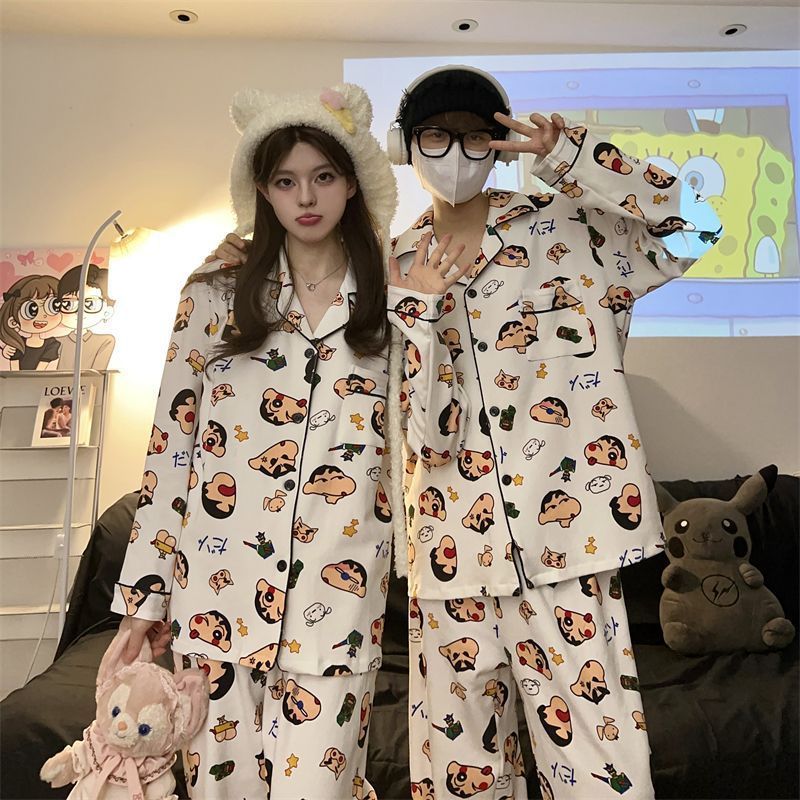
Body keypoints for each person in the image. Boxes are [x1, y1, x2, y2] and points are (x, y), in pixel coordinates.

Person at [216, 66, 723, 799]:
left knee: (603, 776)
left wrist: (573, 158)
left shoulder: (572, 230)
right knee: (463, 783)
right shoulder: (386, 271)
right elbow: (410, 428)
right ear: (405, 148)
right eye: (435, 136)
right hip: (447, 556)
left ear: (500, 143)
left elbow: (698, 223)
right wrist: (247, 257)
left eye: (476, 136)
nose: (455, 151)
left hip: (569, 545)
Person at [110, 83, 466, 800]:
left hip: (337, 608)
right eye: (285, 181)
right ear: (263, 192)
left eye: (323, 176)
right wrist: (144, 602)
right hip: (215, 603)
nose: (306, 197)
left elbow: (437, 440)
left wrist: (425, 319)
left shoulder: (397, 300)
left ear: (352, 183)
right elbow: (169, 454)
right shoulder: (213, 294)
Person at [54, 263, 116, 370]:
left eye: (90, 304)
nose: (79, 311)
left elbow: (97, 374)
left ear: (107, 312)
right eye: (68, 304)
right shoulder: (55, 342)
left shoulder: (105, 341)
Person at [0, 274, 62, 370]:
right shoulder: (17, 343)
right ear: (13, 321)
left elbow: (39, 373)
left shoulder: (52, 344)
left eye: (54, 306)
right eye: (31, 309)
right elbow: (14, 372)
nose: (43, 316)